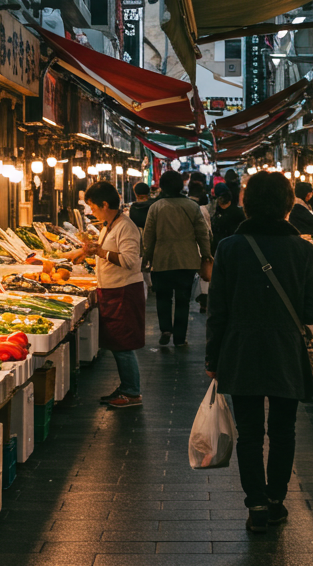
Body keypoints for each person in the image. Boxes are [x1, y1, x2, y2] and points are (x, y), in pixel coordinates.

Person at [206, 171, 313, 533]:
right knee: (284, 430)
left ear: (247, 203)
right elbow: (312, 312)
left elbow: (218, 311)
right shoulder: (303, 250)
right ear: (289, 205)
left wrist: (213, 359)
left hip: (240, 350)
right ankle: (276, 500)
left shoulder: (228, 248)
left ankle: (255, 504)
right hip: (285, 350)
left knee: (249, 433)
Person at [61, 181, 146, 409]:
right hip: (113, 290)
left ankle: (132, 393)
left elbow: (128, 260)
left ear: (105, 204)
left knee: (123, 344)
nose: (92, 211)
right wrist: (87, 251)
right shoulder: (111, 225)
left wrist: (99, 251)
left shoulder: (126, 227)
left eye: (93, 206)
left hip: (124, 291)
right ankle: (127, 387)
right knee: (118, 343)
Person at [142, 170, 213, 345]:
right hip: (187, 260)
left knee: (163, 297)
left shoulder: (156, 207)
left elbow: (148, 236)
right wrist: (206, 255)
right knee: (183, 301)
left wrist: (147, 256)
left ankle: (166, 329)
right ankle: (180, 338)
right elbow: (202, 234)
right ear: (181, 186)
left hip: (162, 260)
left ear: (163, 186)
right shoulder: (192, 206)